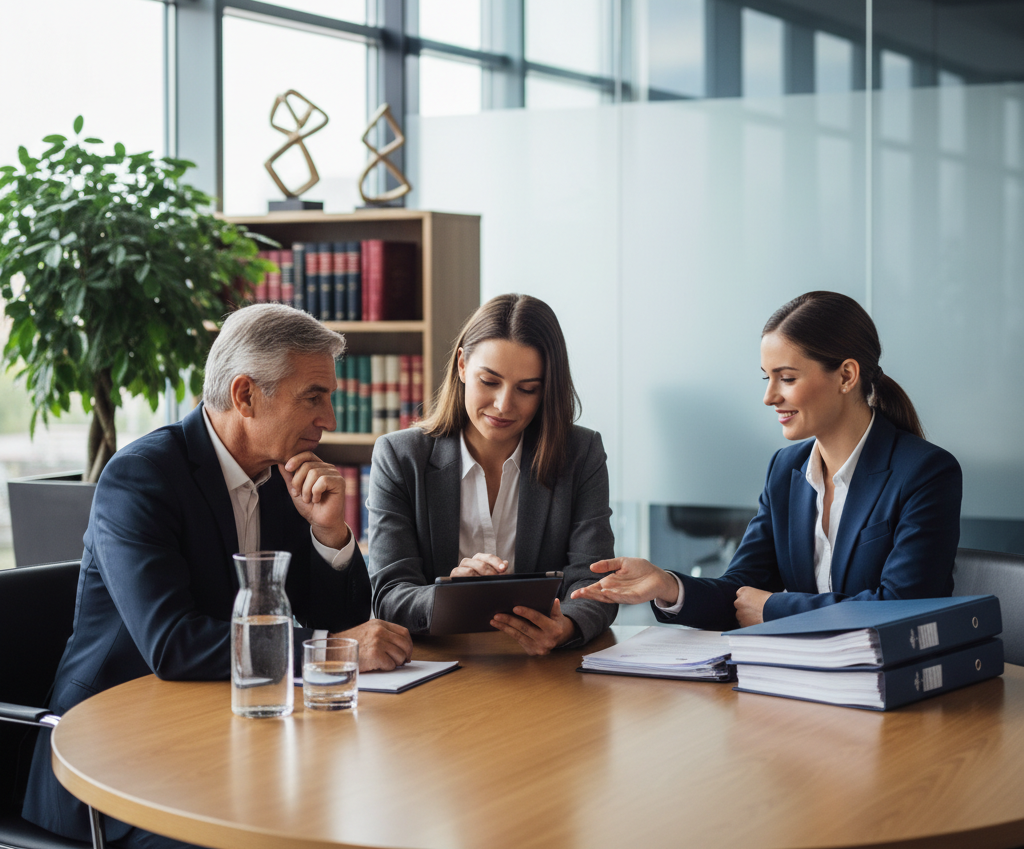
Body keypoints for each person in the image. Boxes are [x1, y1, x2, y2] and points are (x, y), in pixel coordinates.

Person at [23, 303, 412, 848]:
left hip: (231, 740)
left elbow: (338, 626)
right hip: (115, 763)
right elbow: (173, 645)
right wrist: (330, 646)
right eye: (313, 397)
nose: (329, 420)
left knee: (367, 808)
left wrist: (329, 534)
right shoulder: (140, 479)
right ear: (246, 394)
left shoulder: (282, 479)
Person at [571, 291, 962, 630]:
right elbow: (740, 592)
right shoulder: (786, 470)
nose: (769, 397)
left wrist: (774, 608)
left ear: (846, 376)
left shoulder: (925, 473)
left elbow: (901, 608)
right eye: (766, 378)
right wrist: (668, 586)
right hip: (802, 683)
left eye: (787, 378)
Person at [368, 293, 617, 654]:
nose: (504, 405)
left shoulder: (580, 454)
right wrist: (446, 596)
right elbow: (389, 594)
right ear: (462, 366)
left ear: (547, 389)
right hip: (439, 669)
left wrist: (566, 626)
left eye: (527, 389)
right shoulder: (400, 456)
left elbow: (595, 583)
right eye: (489, 381)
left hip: (544, 672)